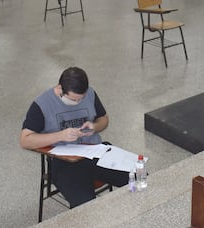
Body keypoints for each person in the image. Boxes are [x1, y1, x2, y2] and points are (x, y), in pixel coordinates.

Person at [19, 67, 128, 208]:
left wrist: (94, 127)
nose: (77, 102)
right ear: (60, 89)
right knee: (85, 205)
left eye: (81, 98)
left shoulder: (90, 93)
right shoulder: (42, 104)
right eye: (73, 99)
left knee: (139, 176)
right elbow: (25, 140)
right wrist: (60, 135)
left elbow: (104, 119)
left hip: (95, 152)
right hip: (64, 162)